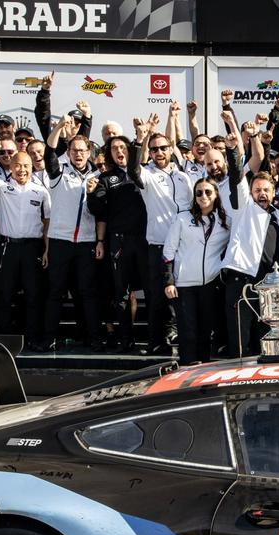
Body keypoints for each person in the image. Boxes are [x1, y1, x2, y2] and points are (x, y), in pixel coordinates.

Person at [0, 142, 51, 348]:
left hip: (32, 248)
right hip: (7, 248)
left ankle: (33, 339)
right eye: (18, 165)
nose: (22, 169)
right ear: (11, 166)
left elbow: (47, 222)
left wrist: (47, 249)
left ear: (32, 167)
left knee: (33, 295)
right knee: (4, 294)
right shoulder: (1, 188)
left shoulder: (41, 192)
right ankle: (5, 340)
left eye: (26, 166)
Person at [132, 116, 193, 356]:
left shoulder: (183, 176)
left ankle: (183, 342)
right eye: (154, 149)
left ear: (171, 149)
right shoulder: (147, 175)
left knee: (182, 297)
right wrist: (141, 139)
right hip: (157, 246)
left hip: (184, 247)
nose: (158, 152)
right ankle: (155, 344)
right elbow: (133, 169)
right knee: (156, 298)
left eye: (163, 148)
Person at [220, 157, 279, 357]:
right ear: (250, 192)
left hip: (268, 286)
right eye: (257, 190)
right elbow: (237, 178)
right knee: (240, 337)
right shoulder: (243, 208)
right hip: (241, 281)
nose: (262, 194)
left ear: (273, 192)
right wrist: (234, 151)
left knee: (264, 335)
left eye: (266, 190)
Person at [43, 116, 103, 352]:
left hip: (86, 242)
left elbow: (100, 212)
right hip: (60, 240)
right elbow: (49, 151)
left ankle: (94, 339)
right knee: (55, 292)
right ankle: (48, 338)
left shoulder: (97, 176)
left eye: (82, 150)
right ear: (67, 152)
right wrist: (58, 127)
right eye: (74, 150)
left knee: (87, 293)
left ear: (89, 152)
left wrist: (93, 194)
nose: (78, 154)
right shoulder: (58, 172)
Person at [87, 135, 147, 352]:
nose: (119, 151)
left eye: (123, 147)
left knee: (150, 290)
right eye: (114, 148)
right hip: (119, 241)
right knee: (121, 293)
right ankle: (125, 338)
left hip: (145, 240)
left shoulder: (144, 173)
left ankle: (154, 340)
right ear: (110, 153)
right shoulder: (105, 178)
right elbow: (97, 210)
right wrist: (91, 194)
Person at [164, 178, 230, 365]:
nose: (203, 196)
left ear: (216, 194)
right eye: (199, 192)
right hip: (184, 285)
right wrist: (169, 281)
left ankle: (203, 371)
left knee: (205, 332)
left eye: (208, 192)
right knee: (188, 332)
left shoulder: (225, 222)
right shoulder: (182, 219)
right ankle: (186, 371)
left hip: (209, 284)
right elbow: (168, 251)